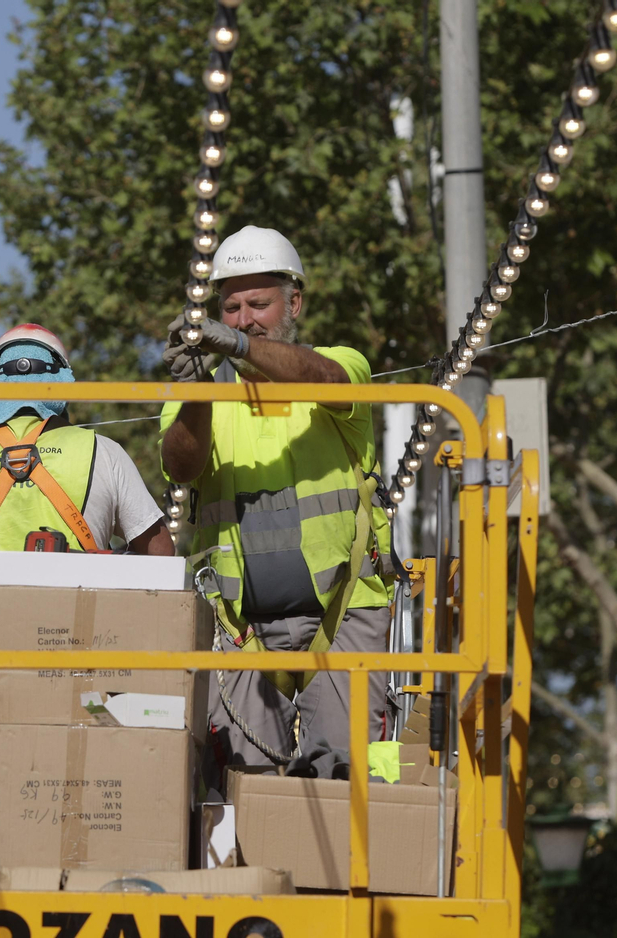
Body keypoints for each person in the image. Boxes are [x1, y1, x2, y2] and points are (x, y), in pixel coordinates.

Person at [158, 226, 394, 785]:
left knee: (349, 785)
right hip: (238, 625)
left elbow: (328, 378)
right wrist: (196, 390)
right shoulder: (208, 395)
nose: (242, 320)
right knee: (242, 791)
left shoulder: (340, 364)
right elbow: (180, 467)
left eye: (257, 305)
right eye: (231, 308)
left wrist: (237, 348)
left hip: (344, 612)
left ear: (294, 304)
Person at [0, 324, 175, 728]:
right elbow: (160, 555)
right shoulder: (102, 452)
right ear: (63, 382)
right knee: (74, 775)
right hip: (83, 659)